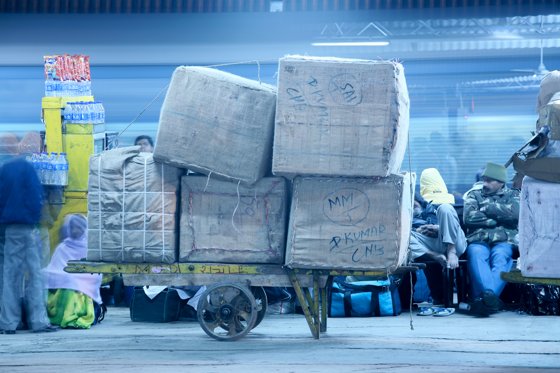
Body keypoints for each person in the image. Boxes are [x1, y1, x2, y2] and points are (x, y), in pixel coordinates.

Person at [0, 132, 58, 334]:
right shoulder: (27, 168)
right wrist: (36, 220)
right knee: (35, 274)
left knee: (9, 276)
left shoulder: (4, 169)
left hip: (8, 229)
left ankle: (8, 323)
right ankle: (38, 321)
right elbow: (36, 198)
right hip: (27, 228)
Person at [463, 162, 520, 316]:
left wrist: (486, 208)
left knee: (500, 256)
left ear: (501, 182)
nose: (485, 184)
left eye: (489, 180)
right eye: (484, 180)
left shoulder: (513, 195)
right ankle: (490, 298)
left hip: (504, 240)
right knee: (476, 254)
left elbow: (515, 215)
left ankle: (482, 300)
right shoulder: (474, 194)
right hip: (478, 239)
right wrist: (495, 220)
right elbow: (469, 217)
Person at [408, 168, 467, 311]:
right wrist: (421, 228)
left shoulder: (454, 201)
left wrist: (439, 228)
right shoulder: (418, 204)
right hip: (430, 247)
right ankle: (434, 256)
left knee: (445, 208)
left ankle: (450, 251)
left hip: (454, 243)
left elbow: (459, 223)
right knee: (405, 236)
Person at [43, 214, 103, 329]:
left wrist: (74, 277)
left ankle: (72, 316)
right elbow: (54, 268)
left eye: (79, 227)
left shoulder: (90, 249)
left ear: (85, 228)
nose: (75, 230)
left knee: (71, 282)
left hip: (81, 283)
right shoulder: (63, 247)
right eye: (73, 227)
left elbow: (96, 272)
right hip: (63, 282)